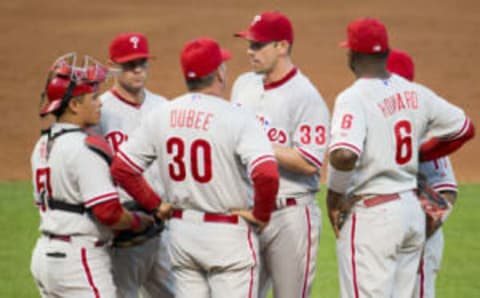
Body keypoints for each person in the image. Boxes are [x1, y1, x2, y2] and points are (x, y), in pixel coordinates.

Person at [110, 37, 280, 298]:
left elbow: (123, 168)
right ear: (218, 74)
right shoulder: (238, 117)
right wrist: (261, 214)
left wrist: (156, 204)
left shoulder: (162, 113)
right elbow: (266, 173)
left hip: (182, 235)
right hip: (228, 238)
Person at [326, 18, 474, 297]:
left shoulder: (354, 97)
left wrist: (333, 197)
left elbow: (344, 155)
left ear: (352, 54)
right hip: (409, 209)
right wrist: (418, 156)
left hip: (373, 212)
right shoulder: (418, 96)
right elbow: (465, 128)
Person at [30, 53, 155, 297]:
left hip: (45, 257)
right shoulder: (84, 148)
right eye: (94, 97)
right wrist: (139, 221)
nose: (100, 103)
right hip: (79, 260)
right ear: (75, 105)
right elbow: (108, 212)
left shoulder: (42, 145)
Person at [231, 11, 330, 298]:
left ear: (282, 46)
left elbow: (310, 162)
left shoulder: (306, 97)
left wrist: (259, 147)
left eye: (258, 45)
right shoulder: (243, 84)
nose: (250, 51)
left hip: (291, 214)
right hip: (248, 210)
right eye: (249, 44)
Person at [98, 32, 174, 298]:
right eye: (129, 64)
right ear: (112, 65)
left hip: (163, 224)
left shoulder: (163, 107)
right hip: (124, 228)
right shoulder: (100, 111)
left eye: (142, 62)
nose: (138, 70)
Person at [387, 48, 459, 298]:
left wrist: (415, 231)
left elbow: (445, 190)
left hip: (417, 245)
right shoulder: (366, 116)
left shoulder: (424, 128)